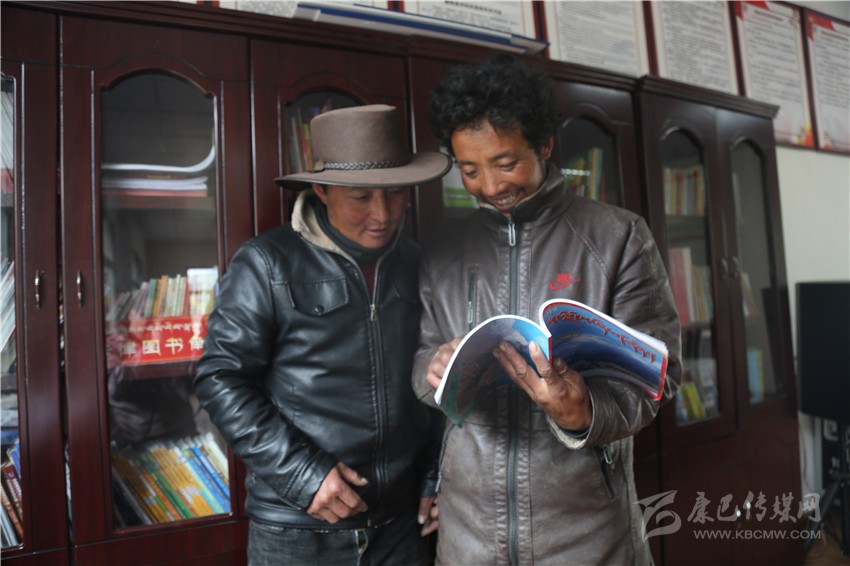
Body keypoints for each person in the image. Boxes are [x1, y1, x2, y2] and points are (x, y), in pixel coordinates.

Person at [413, 54, 682, 565]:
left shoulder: (618, 237)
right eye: (469, 170)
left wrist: (581, 411)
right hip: (469, 537)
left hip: (588, 535)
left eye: (506, 163)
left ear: (545, 146)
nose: (491, 186)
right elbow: (419, 359)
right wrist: (432, 368)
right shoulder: (442, 252)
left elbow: (659, 376)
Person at [194, 104, 451, 565]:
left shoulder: (417, 261)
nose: (382, 214)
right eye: (360, 197)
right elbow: (220, 379)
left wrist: (434, 474)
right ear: (321, 189)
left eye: (395, 194)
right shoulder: (266, 263)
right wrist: (303, 475)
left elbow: (436, 376)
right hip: (299, 528)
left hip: (401, 525)